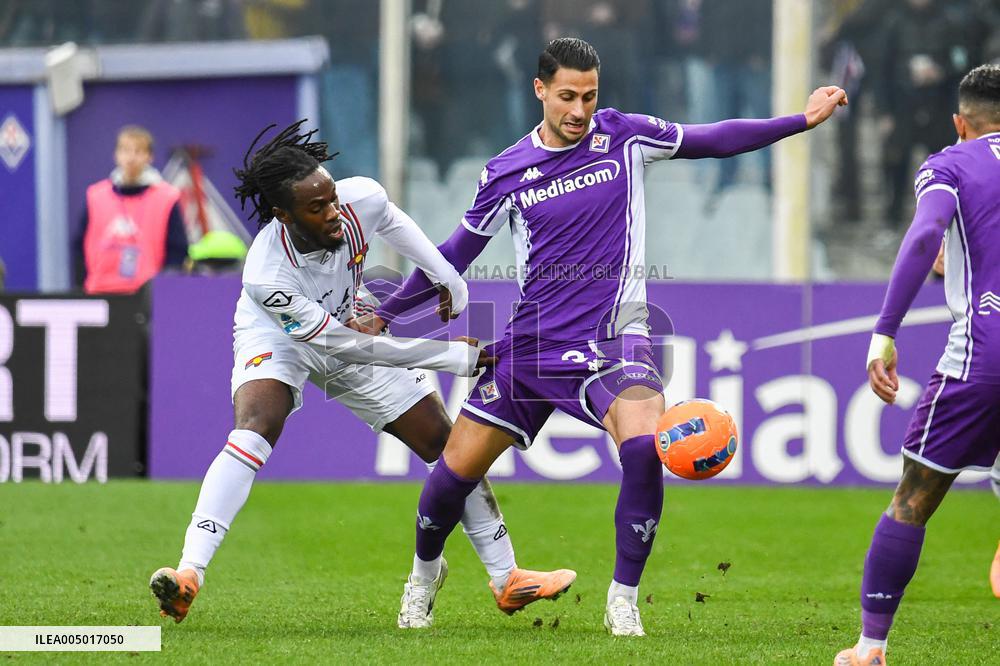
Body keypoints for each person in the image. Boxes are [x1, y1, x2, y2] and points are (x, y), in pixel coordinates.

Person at [353, 38, 846, 635]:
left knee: (643, 448)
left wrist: (801, 120)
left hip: (615, 342)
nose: (580, 110)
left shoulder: (625, 136)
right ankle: (423, 578)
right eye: (566, 97)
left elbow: (714, 137)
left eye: (589, 96)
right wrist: (389, 313)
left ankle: (623, 599)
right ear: (539, 90)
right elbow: (454, 253)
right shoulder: (506, 170)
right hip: (531, 346)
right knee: (451, 477)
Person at [148, 121, 575, 624]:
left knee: (448, 442)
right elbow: (348, 348)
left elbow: (392, 221)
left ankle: (507, 579)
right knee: (256, 427)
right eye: (317, 208)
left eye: (331, 198)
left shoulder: (358, 199)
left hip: (347, 315)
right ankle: (189, 573)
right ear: (283, 216)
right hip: (280, 337)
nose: (334, 213)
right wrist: (450, 357)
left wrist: (446, 276)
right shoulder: (267, 275)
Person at [834, 64, 1000, 666]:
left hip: (985, 352)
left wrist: (884, 332)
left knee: (913, 497)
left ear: (961, 123)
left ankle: (870, 649)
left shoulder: (951, 164)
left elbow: (927, 231)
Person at [78, 125, 187, 294]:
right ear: (116, 155)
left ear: (150, 157)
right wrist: (81, 283)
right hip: (100, 289)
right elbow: (79, 244)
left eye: (138, 151)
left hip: (147, 294)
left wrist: (165, 288)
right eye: (125, 150)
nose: (131, 157)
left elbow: (178, 249)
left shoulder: (167, 197)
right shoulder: (95, 195)